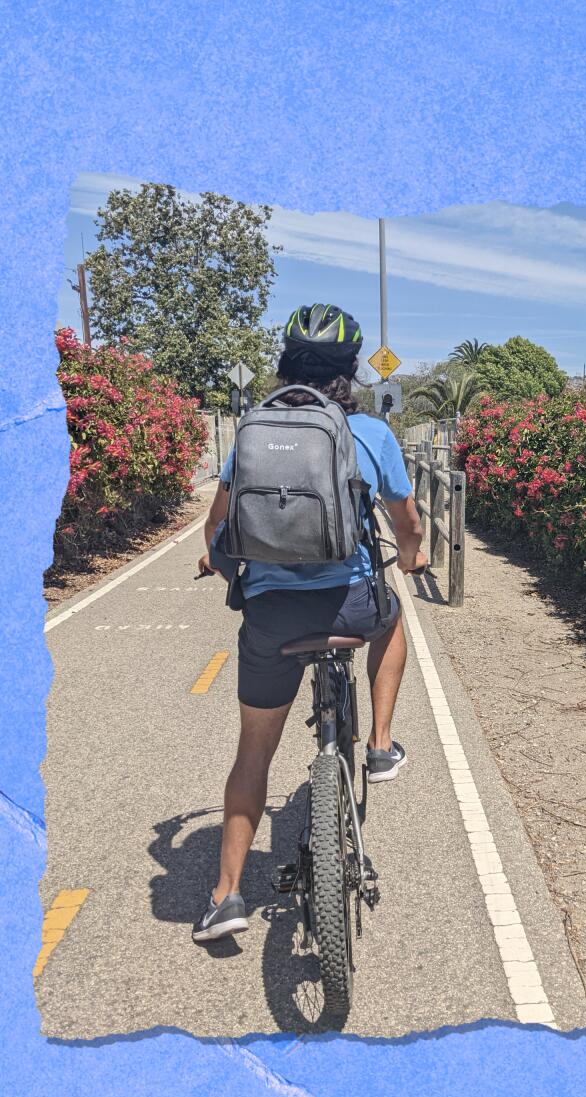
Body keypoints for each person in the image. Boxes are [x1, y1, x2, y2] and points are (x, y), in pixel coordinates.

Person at [191, 302, 426, 943]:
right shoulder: (370, 434)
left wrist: (215, 560)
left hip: (270, 617)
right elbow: (406, 527)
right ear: (350, 372)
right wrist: (413, 554)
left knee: (253, 753)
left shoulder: (251, 431)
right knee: (392, 616)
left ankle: (226, 896)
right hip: (348, 606)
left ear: (285, 364)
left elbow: (216, 530)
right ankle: (379, 745)